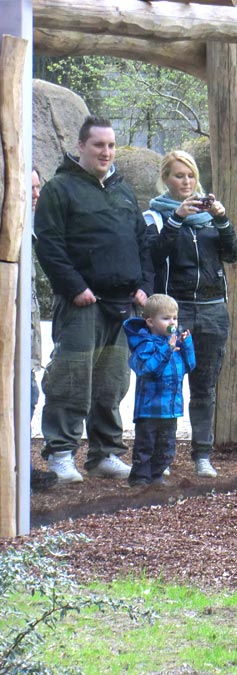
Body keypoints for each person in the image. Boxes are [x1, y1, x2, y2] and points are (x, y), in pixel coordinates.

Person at [34, 115, 154, 484]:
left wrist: (143, 286)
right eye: (99, 144)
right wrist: (74, 287)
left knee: (112, 382)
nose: (106, 152)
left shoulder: (123, 190)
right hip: (82, 303)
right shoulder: (60, 188)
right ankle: (61, 453)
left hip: (123, 304)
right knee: (71, 379)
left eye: (111, 145)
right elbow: (49, 245)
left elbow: (142, 241)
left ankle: (105, 454)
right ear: (81, 146)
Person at [145, 150, 237, 478]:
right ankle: (164, 457)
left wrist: (223, 218)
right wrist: (177, 220)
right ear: (165, 179)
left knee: (205, 387)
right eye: (178, 175)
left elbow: (233, 253)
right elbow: (156, 256)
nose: (185, 182)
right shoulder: (157, 216)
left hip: (213, 311)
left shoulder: (209, 218)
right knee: (168, 382)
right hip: (176, 310)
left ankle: (202, 455)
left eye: (190, 176)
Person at [123, 294, 195, 486]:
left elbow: (190, 367)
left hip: (170, 409)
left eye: (174, 318)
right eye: (166, 318)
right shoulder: (145, 345)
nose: (172, 322)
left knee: (166, 446)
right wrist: (167, 350)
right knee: (145, 445)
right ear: (150, 322)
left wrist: (186, 345)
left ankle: (157, 476)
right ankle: (140, 478)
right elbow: (148, 370)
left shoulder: (173, 344)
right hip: (149, 409)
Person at [29, 168, 57, 492]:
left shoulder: (33, 231)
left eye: (38, 187)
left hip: (26, 342)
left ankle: (20, 466)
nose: (36, 194)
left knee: (29, 396)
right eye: (30, 187)